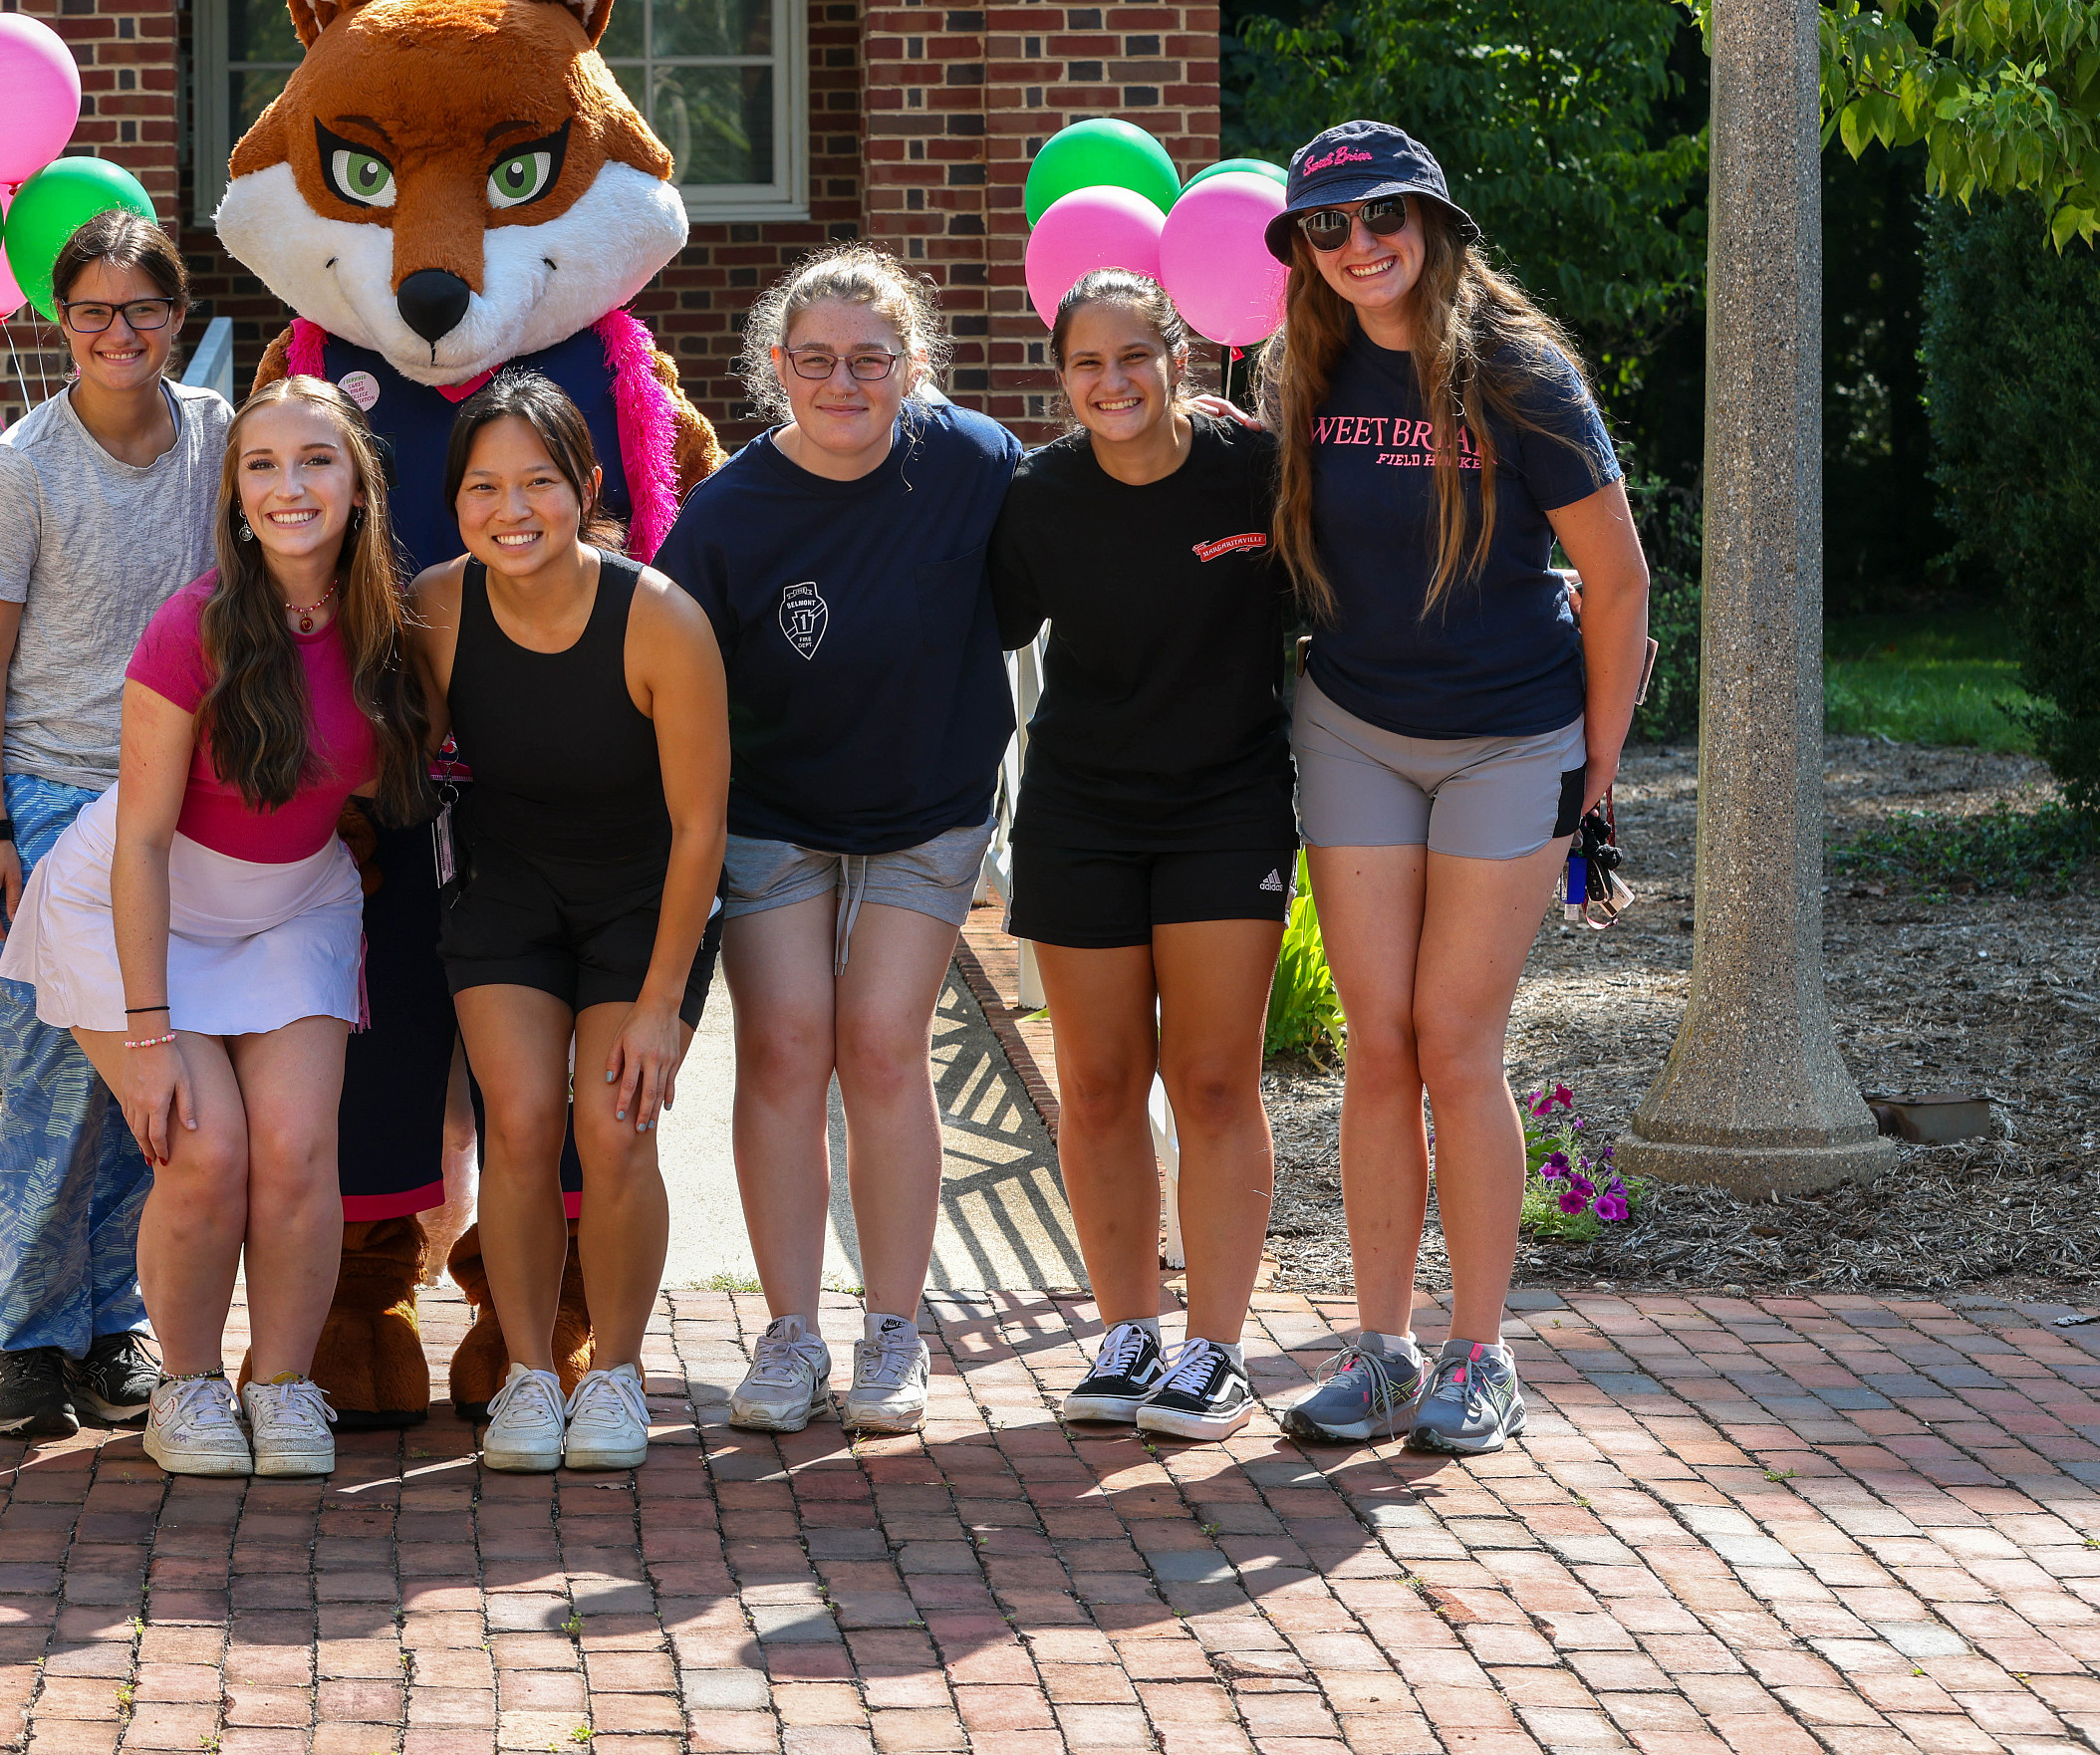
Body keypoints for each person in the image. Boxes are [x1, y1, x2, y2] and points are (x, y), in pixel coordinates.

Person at [1258, 122, 1650, 1455]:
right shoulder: (1299, 369)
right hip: (1356, 724)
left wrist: (1591, 778)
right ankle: (1381, 1352)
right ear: (1304, 249)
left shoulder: (1520, 374)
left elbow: (1623, 581)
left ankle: (1483, 1351)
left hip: (1512, 737)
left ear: (1434, 226)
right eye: (1329, 226)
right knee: (1379, 1036)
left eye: (1384, 218)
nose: (1359, 245)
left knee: (1454, 1036)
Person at [0, 377, 430, 1480]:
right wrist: (147, 1036)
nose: (290, 486)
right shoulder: (192, 624)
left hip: (291, 906)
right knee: (206, 1147)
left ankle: (281, 1386)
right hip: (139, 906)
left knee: (293, 1151)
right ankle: (185, 1388)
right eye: (261, 465)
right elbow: (137, 840)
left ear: (356, 483)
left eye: (315, 462)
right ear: (234, 496)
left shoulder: (392, 624)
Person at [655, 243, 1020, 1436]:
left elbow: (1091, 514)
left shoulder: (970, 462)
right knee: (784, 1050)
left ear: (911, 364)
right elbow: (656, 667)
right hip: (773, 819)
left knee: (877, 1045)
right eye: (815, 360)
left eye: (870, 359)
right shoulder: (726, 516)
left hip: (926, 808)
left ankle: (895, 1331)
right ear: (777, 370)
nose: (843, 383)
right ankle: (790, 1334)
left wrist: (1198, 437)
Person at [991, 269, 1295, 1442]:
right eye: (1085, 363)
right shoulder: (1037, 496)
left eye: (1134, 355)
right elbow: (971, 622)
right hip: (1081, 813)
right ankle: (1125, 1333)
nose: (1110, 381)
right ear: (1060, 377)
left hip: (1226, 805)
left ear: (1178, 354)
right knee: (1103, 1083)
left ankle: (1213, 1349)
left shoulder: (1253, 472)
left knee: (1214, 1081)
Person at [406, 373, 727, 1473]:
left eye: (538, 481)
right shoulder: (439, 611)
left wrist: (656, 1006)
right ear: (455, 503)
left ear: (586, 486)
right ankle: (531, 1373)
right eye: (484, 485)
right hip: (507, 889)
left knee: (615, 1127)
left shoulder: (658, 618)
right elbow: (386, 758)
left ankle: (618, 1372)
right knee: (524, 1119)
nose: (513, 508)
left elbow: (699, 829)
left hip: (645, 898)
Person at [0, 211, 228, 1439]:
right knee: (48, 1093)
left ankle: (113, 1327)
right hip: (51, 802)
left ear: (177, 316)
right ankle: (23, 1337)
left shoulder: (221, 441)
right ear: (63, 321)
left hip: (180, 812)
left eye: (145, 309)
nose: (120, 333)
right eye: (95, 312)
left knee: (148, 1092)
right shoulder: (20, 467)